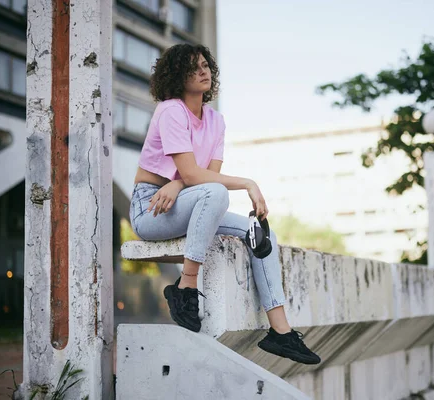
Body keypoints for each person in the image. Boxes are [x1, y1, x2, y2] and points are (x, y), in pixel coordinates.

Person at [129, 44, 321, 365]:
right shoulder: (171, 110)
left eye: (205, 65)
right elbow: (198, 178)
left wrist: (179, 182)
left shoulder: (216, 120)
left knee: (257, 231)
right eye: (193, 68)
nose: (203, 71)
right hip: (151, 208)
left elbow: (208, 177)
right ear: (177, 76)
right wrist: (247, 183)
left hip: (190, 201)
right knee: (217, 194)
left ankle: (281, 332)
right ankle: (186, 287)